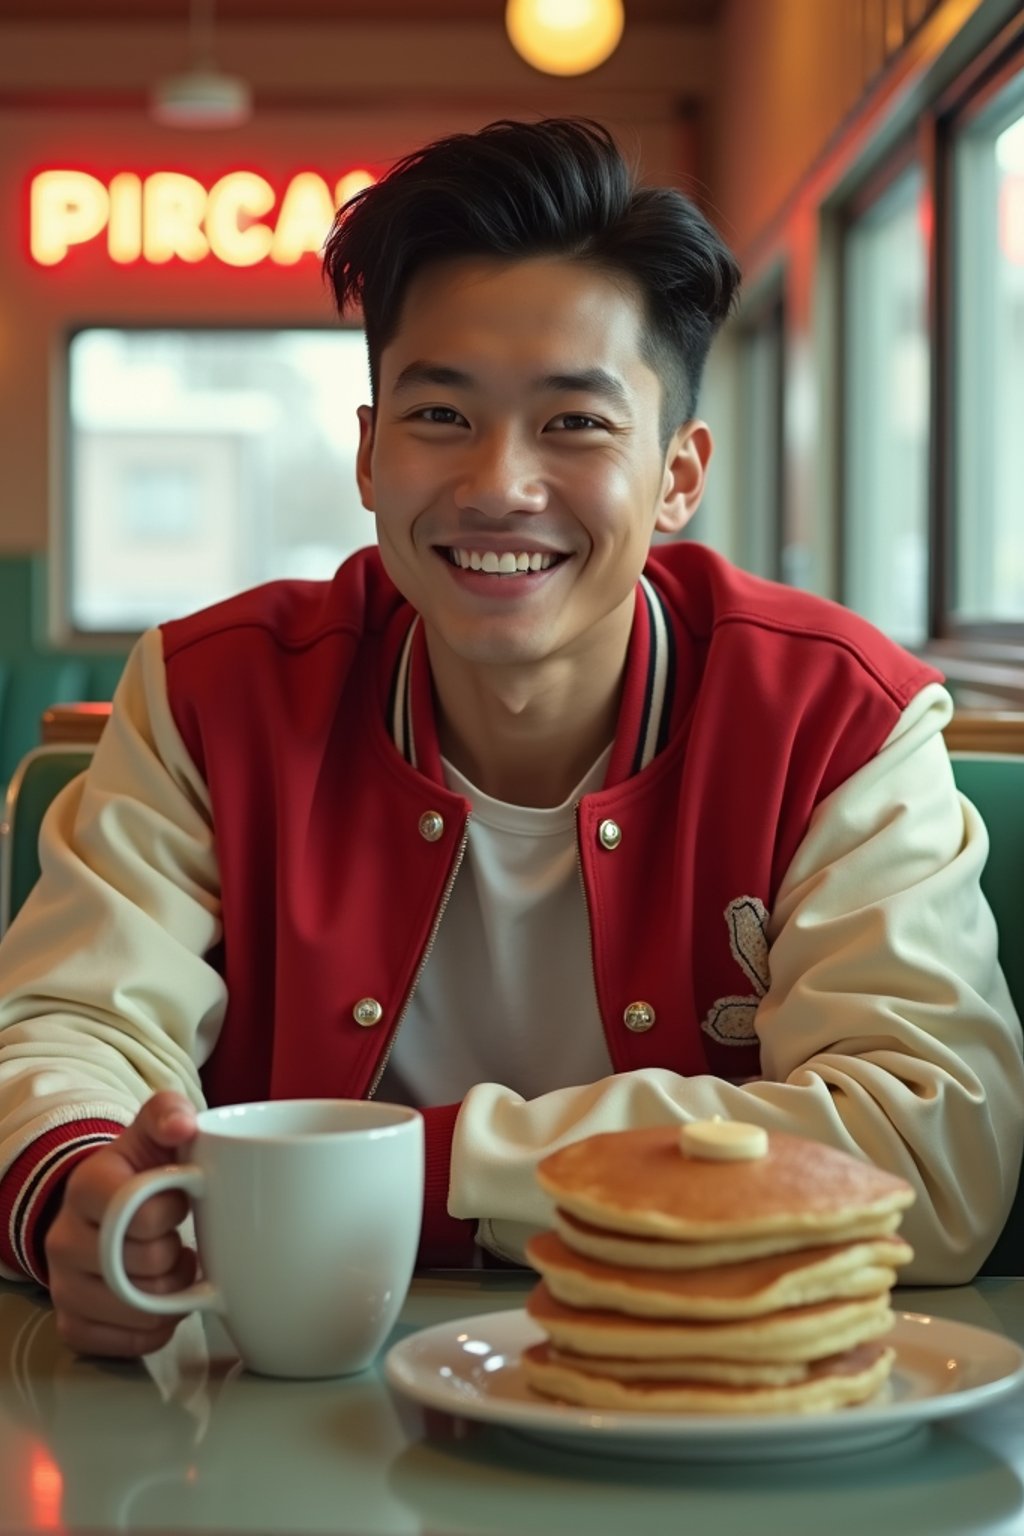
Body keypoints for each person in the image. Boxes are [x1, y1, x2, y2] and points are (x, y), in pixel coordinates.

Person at [0, 118, 1021, 1361]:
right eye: (441, 414)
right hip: (272, 1403)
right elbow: (72, 1027)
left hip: (711, 1414)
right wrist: (77, 1191)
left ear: (678, 474)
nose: (500, 484)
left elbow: (931, 1155)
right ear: (370, 453)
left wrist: (417, 1172)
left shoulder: (836, 719)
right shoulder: (211, 694)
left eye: (576, 425)